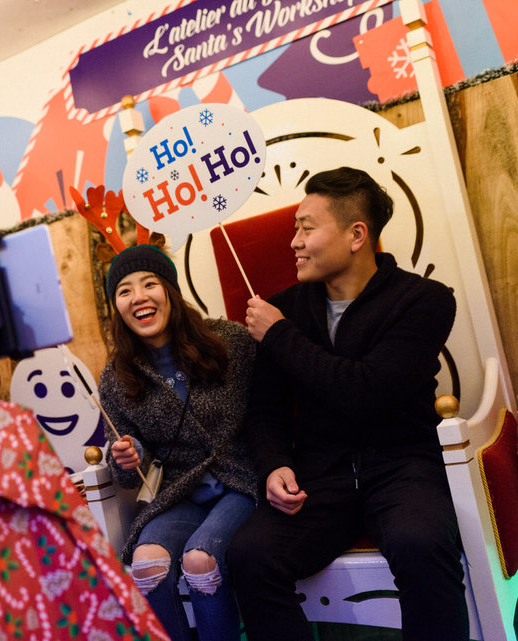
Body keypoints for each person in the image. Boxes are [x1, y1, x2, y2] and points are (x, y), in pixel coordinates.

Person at [228, 166, 467, 641]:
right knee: (249, 554)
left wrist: (279, 335)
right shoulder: (286, 307)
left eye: (306, 228)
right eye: (294, 228)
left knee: (422, 545)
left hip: (403, 468)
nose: (294, 241)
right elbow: (266, 410)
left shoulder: (425, 301)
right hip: (321, 480)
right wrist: (273, 465)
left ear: (357, 234)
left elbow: (367, 392)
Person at [99, 243, 258, 641]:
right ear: (117, 307)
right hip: (180, 490)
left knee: (200, 559)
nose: (139, 297)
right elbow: (129, 474)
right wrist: (127, 454)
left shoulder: (230, 341)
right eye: (124, 291)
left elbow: (270, 411)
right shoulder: (116, 377)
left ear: (169, 290)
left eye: (149, 283)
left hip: (241, 479)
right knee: (146, 564)